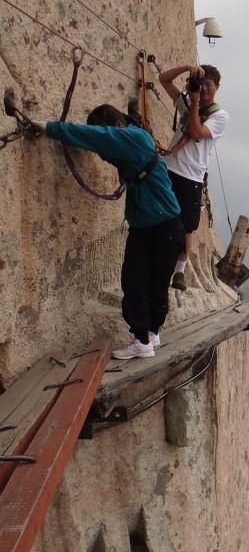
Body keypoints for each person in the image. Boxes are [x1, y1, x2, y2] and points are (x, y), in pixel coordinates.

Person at [39, 104, 185, 360]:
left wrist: (50, 128)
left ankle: (144, 339)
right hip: (161, 226)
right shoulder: (134, 141)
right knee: (150, 282)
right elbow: (102, 145)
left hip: (159, 226)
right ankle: (150, 335)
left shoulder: (134, 138)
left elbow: (99, 139)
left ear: (114, 126)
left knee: (138, 281)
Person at [158, 63, 228, 291]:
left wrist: (195, 101)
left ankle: (179, 270)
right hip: (169, 167)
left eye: (209, 84)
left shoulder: (219, 115)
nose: (204, 88)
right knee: (161, 216)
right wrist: (188, 68)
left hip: (191, 176)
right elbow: (164, 80)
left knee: (186, 227)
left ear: (217, 87)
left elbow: (197, 131)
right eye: (201, 83)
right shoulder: (187, 103)